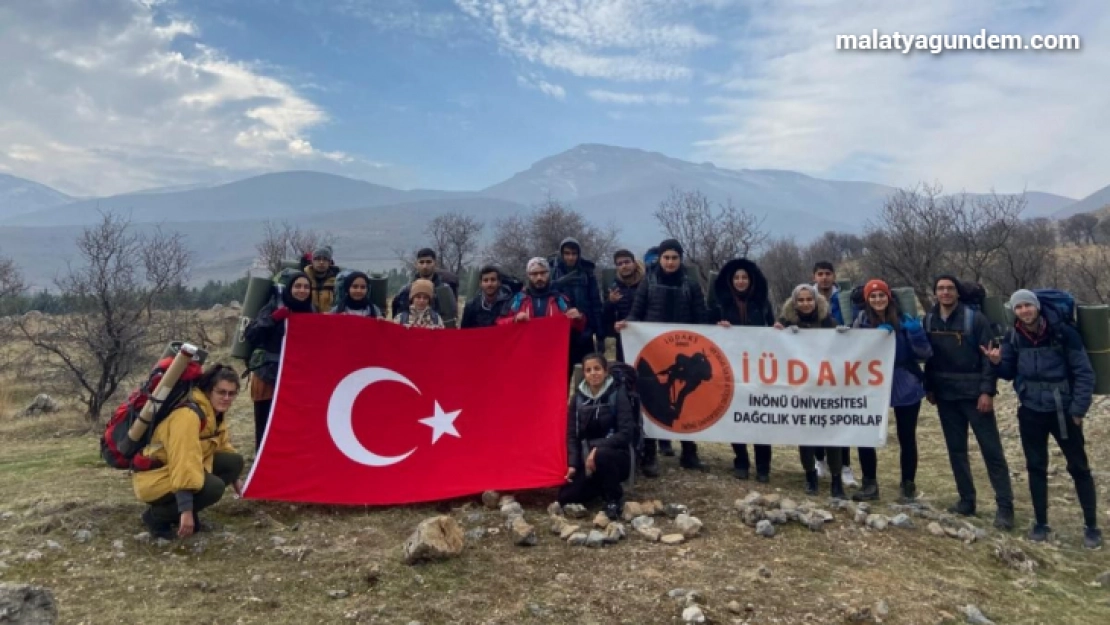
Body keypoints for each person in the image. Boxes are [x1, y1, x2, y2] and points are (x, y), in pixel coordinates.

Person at [985, 289, 1100, 548]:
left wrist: (1079, 410)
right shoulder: (1014, 335)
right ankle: (1040, 523)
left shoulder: (1063, 333)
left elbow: (1084, 373)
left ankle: (1092, 526)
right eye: (1019, 307)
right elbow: (1009, 372)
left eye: (1028, 305)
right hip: (1030, 410)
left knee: (1079, 467)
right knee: (1035, 467)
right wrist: (996, 362)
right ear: (1013, 311)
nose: (1024, 311)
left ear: (1036, 306)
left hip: (1064, 411)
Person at [923, 275, 1015, 528]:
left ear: (958, 293)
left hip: (975, 395)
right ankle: (966, 501)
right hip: (945, 395)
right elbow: (929, 358)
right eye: (940, 288)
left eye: (950, 288)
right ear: (935, 293)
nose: (945, 293)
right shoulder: (929, 319)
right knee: (956, 451)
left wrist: (987, 392)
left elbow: (988, 357)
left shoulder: (976, 319)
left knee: (992, 452)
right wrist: (929, 387)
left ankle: (1005, 508)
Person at [615, 239, 708, 475]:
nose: (670, 262)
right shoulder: (648, 282)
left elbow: (700, 317)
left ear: (680, 259)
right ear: (660, 259)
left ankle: (689, 452)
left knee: (686, 403)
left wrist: (717, 327)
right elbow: (637, 311)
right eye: (666, 258)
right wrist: (628, 324)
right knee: (651, 398)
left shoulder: (691, 285)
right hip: (653, 351)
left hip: (683, 352)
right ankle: (649, 454)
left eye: (674, 258)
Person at [134, 364, 245, 540]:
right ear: (209, 391)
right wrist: (187, 510)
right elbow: (183, 462)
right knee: (213, 487)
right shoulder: (188, 416)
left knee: (234, 462)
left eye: (231, 394)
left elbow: (222, 445)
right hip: (155, 477)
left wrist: (235, 478)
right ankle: (156, 517)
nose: (226, 398)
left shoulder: (213, 413)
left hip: (176, 471)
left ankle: (180, 510)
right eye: (221, 392)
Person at [850, 279, 932, 502]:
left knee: (907, 437)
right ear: (867, 300)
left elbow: (925, 353)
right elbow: (854, 354)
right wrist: (872, 338)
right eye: (873, 296)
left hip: (905, 381)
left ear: (889, 297)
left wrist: (915, 332)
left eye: (881, 295)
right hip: (872, 383)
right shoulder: (861, 323)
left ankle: (908, 485)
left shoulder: (906, 320)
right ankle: (869, 483)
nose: (878, 300)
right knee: (866, 434)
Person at [775, 284, 846, 497]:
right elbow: (773, 348)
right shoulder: (786, 323)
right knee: (805, 434)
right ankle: (810, 476)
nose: (805, 304)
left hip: (826, 387)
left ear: (816, 301)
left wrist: (845, 337)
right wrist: (777, 333)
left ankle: (836, 480)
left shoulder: (828, 322)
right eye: (801, 300)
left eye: (809, 299)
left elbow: (841, 351)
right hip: (800, 390)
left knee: (831, 435)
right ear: (794, 303)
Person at [711, 257, 776, 482]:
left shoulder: (763, 303)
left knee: (761, 416)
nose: (740, 281)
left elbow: (773, 329)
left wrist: (779, 329)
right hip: (732, 369)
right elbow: (708, 331)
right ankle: (741, 460)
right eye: (737, 277)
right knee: (736, 414)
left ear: (752, 280)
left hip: (759, 368)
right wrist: (719, 327)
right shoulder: (720, 305)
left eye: (744, 277)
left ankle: (763, 466)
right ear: (730, 281)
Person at [559, 353, 636, 520]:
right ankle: (600, 485)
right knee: (565, 497)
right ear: (584, 374)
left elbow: (625, 434)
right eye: (588, 370)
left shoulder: (618, 394)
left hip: (617, 455)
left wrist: (597, 448)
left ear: (605, 371)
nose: (593, 373)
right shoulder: (577, 399)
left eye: (597, 369)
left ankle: (613, 498)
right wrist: (572, 464)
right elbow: (572, 434)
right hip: (587, 457)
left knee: (602, 456)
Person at [245, 271, 314, 451]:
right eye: (297, 286)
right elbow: (251, 334)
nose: (302, 290)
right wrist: (274, 318)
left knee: (292, 421)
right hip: (267, 375)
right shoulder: (274, 306)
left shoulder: (312, 311)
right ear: (290, 288)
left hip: (296, 377)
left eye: (306, 287)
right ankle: (261, 458)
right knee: (265, 422)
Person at [811, 261, 856, 487]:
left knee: (840, 417)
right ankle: (820, 460)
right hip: (812, 367)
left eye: (828, 274)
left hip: (841, 367)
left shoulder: (845, 299)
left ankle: (845, 466)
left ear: (834, 276)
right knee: (816, 416)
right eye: (820, 274)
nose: (825, 278)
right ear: (814, 276)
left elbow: (855, 324)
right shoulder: (805, 297)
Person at [550, 238, 604, 380]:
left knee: (587, 376)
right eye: (567, 253)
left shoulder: (587, 273)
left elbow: (595, 303)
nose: (571, 257)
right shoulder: (552, 272)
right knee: (561, 378)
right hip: (560, 334)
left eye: (574, 253)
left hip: (584, 332)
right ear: (561, 254)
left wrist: (599, 334)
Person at [498, 258, 586, 333]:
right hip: (526, 349)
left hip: (553, 349)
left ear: (549, 274)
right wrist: (514, 319)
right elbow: (499, 324)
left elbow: (576, 328)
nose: (539, 277)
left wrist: (579, 318)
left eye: (543, 273)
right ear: (528, 275)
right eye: (534, 274)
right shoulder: (517, 300)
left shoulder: (560, 300)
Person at [602, 249, 645, 363]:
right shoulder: (613, 286)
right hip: (622, 337)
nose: (624, 266)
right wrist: (610, 302)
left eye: (627, 262)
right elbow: (605, 316)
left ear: (634, 263)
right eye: (620, 264)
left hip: (643, 335)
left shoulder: (646, 283)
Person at [390, 248, 460, 316]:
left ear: (435, 263)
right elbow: (398, 318)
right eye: (421, 262)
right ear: (416, 264)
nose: (425, 266)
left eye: (428, 262)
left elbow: (451, 318)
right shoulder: (406, 291)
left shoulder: (445, 291)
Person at [303, 247, 340, 312]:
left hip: (330, 318)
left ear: (329, 262)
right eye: (317, 259)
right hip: (308, 317)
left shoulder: (337, 281)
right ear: (312, 261)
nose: (321, 262)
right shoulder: (303, 278)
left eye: (325, 259)